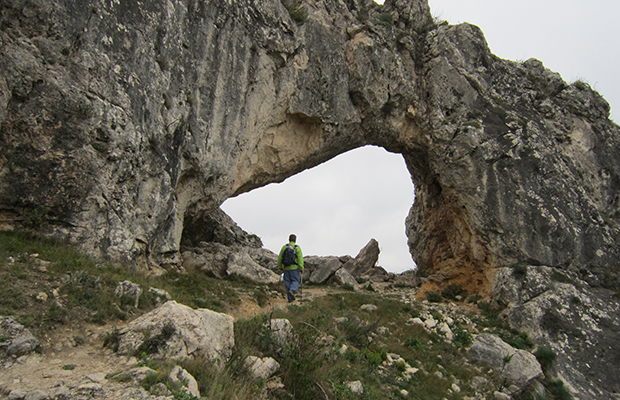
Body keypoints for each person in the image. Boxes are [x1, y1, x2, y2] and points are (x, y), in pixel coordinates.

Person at [278, 234, 304, 303]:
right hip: (294, 268)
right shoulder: (297, 248)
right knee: (295, 280)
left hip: (286, 268)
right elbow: (300, 259)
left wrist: (281, 267)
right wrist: (301, 268)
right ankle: (292, 290)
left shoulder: (284, 247)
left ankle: (290, 299)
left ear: (289, 239)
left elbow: (280, 258)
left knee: (287, 282)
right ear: (295, 240)